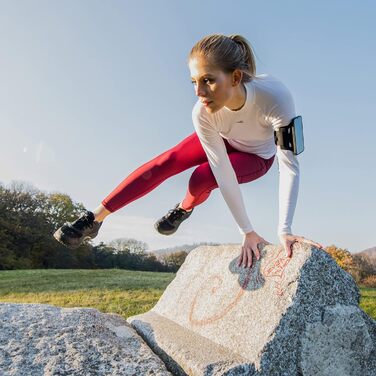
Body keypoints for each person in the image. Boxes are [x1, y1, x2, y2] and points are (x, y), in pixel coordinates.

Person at [53, 33, 324, 268]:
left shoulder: (275, 97)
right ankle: (94, 219)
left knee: (202, 178)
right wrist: (247, 230)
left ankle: (182, 209)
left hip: (256, 157)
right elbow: (221, 165)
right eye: (193, 81)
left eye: (208, 80)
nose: (199, 91)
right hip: (222, 138)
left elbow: (287, 166)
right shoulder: (203, 112)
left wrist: (276, 230)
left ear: (235, 77)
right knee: (167, 161)